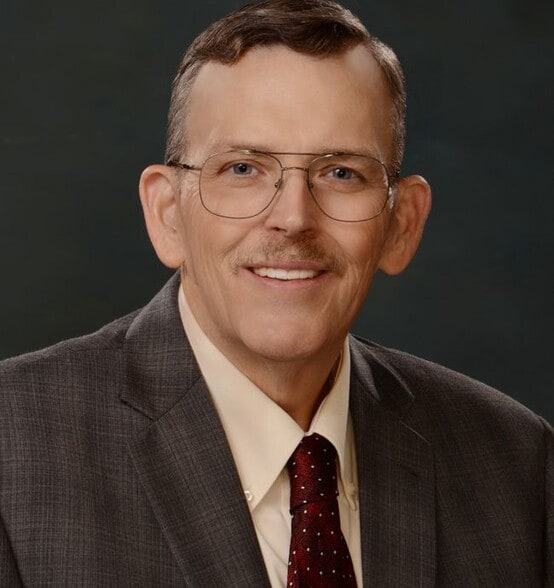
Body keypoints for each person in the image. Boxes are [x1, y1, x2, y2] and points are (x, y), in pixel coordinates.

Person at [0, 0, 551, 585]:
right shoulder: (13, 451)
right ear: (167, 214)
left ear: (402, 224)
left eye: (341, 173)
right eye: (243, 168)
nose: (292, 219)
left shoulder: (518, 466)